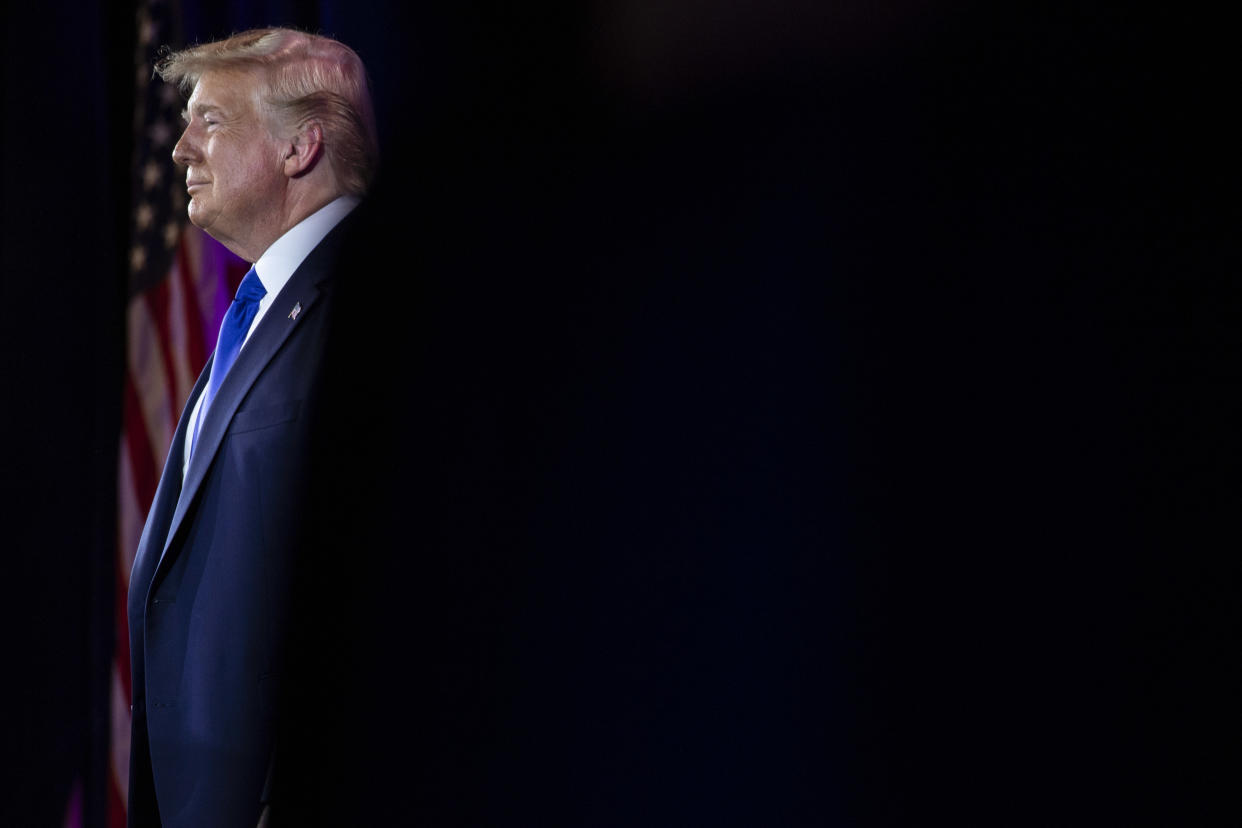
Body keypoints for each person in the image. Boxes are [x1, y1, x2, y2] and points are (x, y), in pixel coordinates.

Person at [125, 28, 378, 828]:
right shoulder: (259, 312)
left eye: (212, 122)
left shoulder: (367, 307)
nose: (180, 150)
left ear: (301, 146)